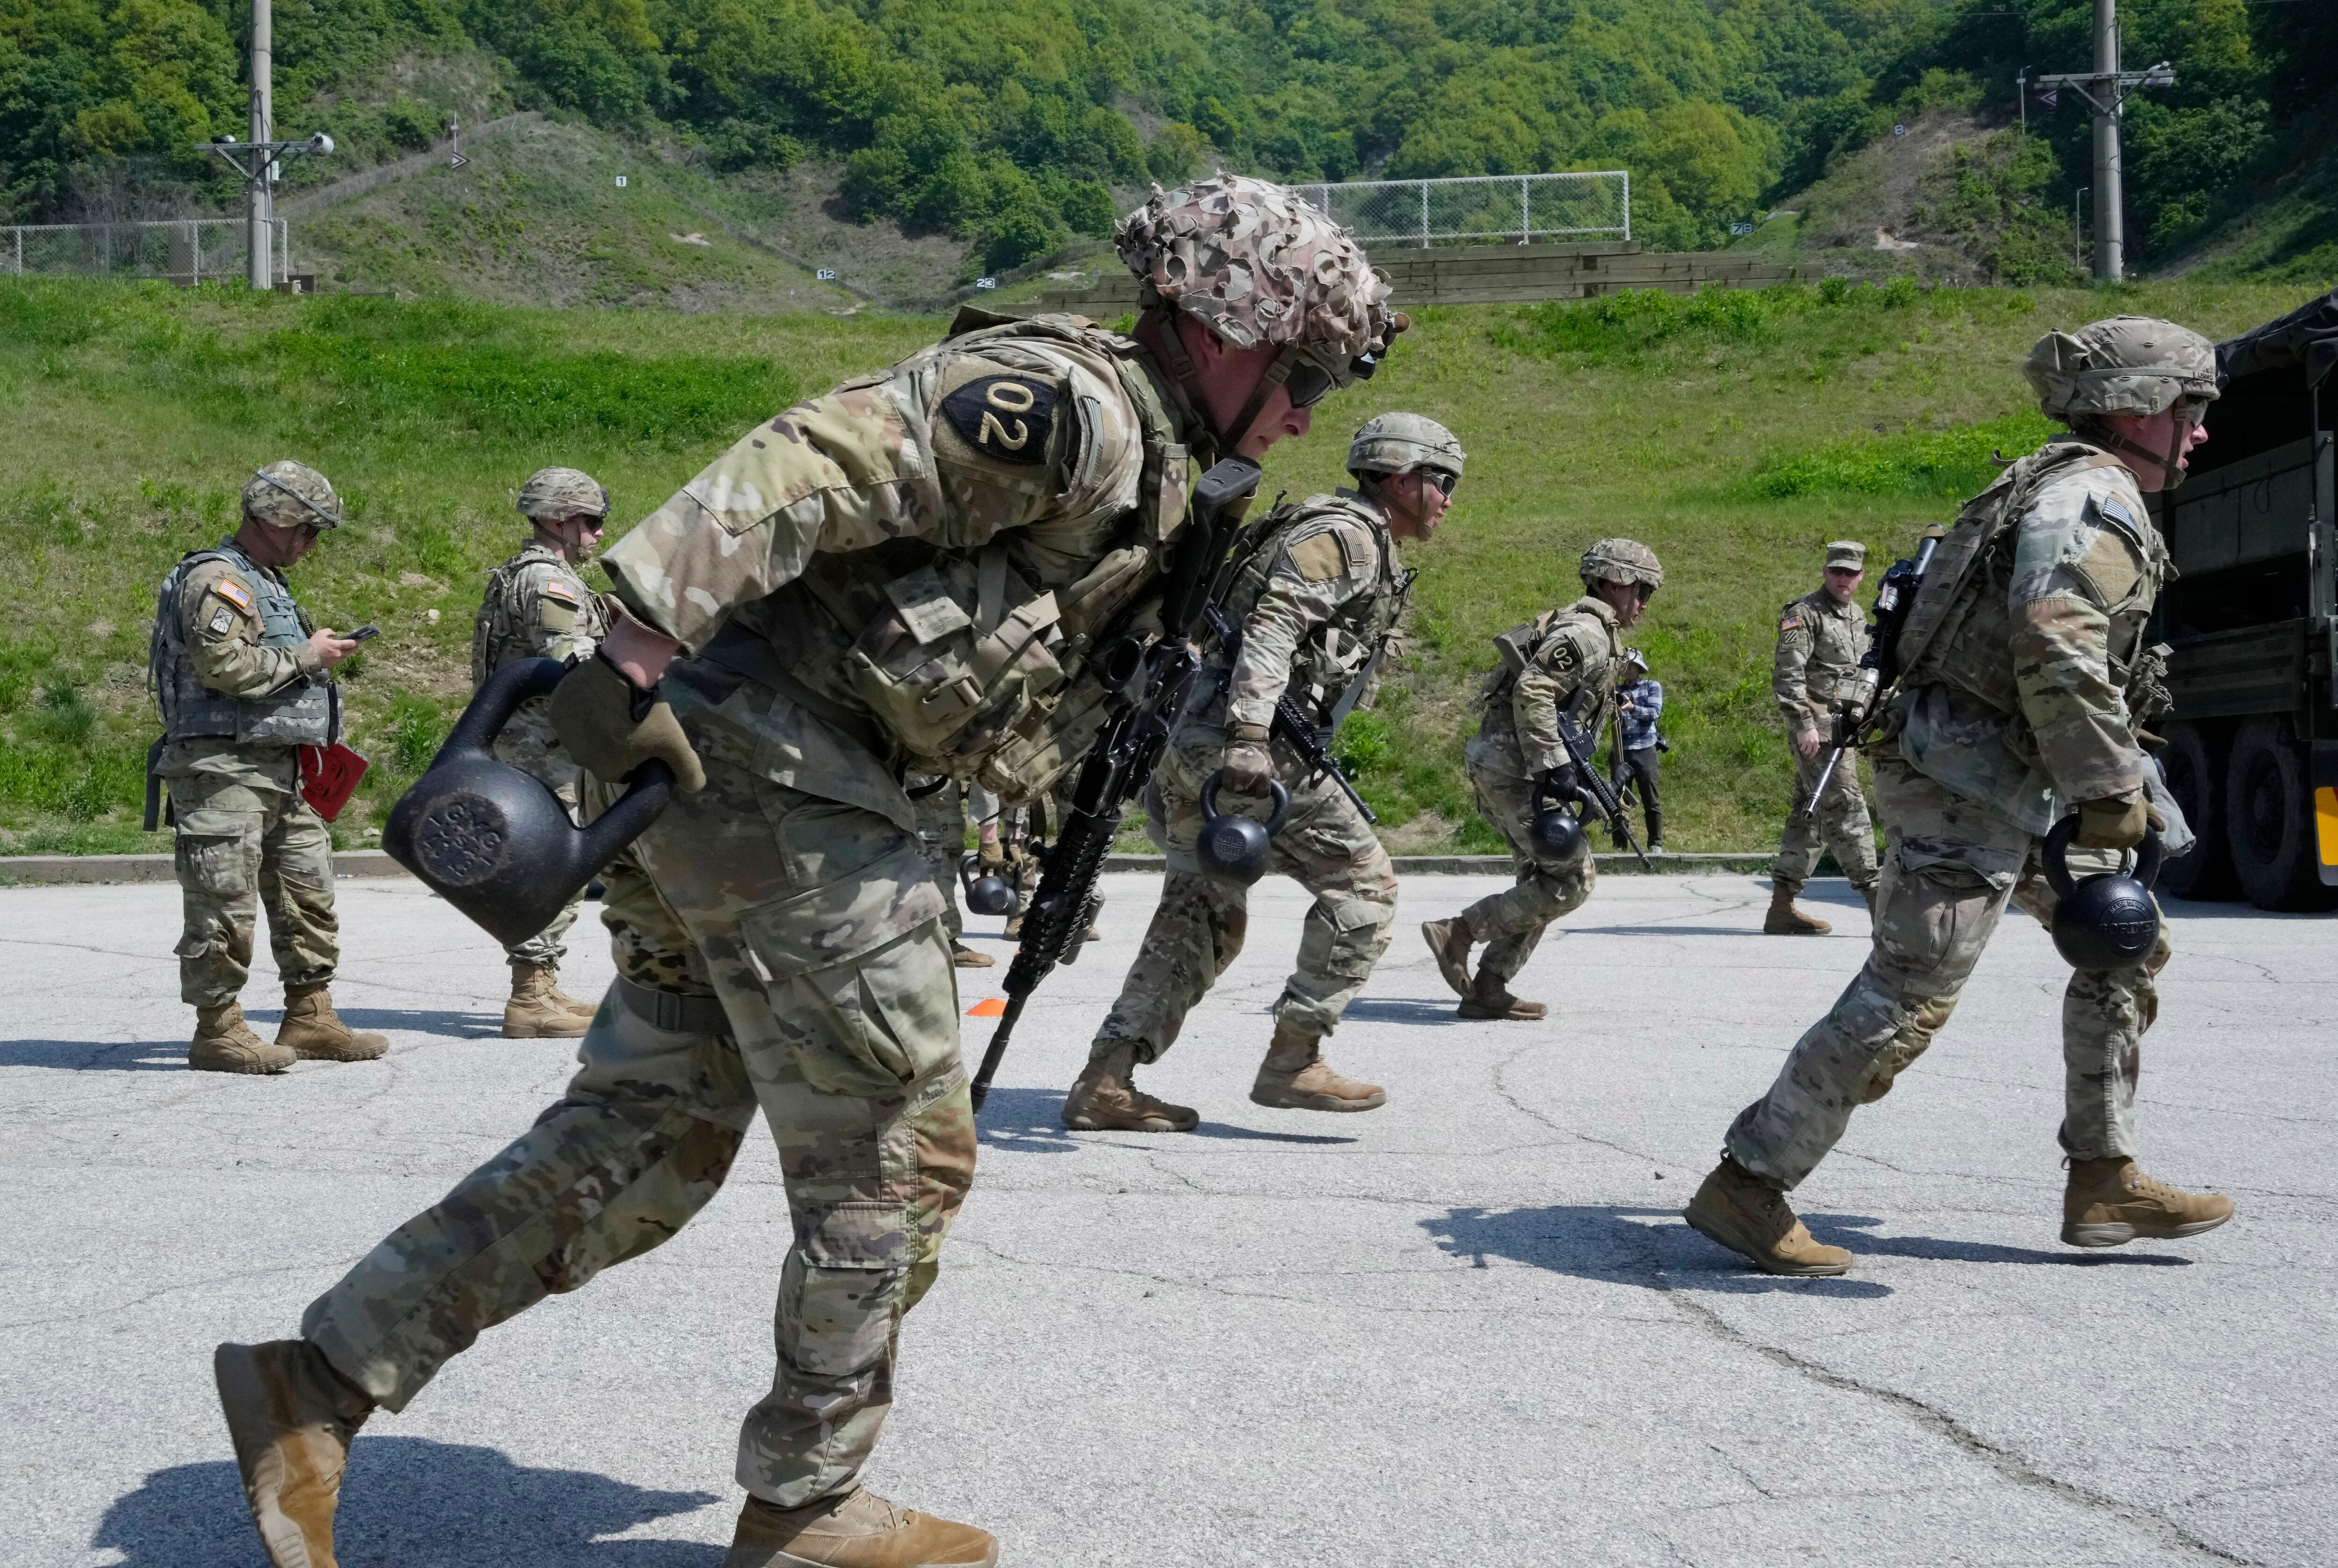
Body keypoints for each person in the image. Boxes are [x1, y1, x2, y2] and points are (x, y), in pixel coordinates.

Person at [210, 173, 1398, 1568]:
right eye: (1304, 367)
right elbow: (812, 459)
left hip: (769, 792)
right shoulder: (1066, 406)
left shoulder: (1164, 467)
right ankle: (806, 1497)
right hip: (787, 785)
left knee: (651, 1129)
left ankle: (319, 1380)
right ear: (1224, 325)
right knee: (901, 1150)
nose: (1313, 405)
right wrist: (636, 636)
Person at [1684, 316, 2236, 1277]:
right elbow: (2055, 641)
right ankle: (1748, 1182)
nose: (2200, 432)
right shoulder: (2088, 498)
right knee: (1912, 990)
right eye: (2190, 408)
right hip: (1966, 781)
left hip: (2014, 776)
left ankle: (2102, 1175)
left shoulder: (2062, 483)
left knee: (2124, 943)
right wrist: (2108, 787)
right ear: (2138, 408)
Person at [1062, 412, 1460, 1132]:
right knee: (1364, 886)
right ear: (1400, 477)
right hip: (1247, 751)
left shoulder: (1353, 537)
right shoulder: (1346, 537)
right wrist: (1249, 734)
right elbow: (1272, 627)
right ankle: (1294, 1057)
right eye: (1442, 481)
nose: (1448, 499)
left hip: (1196, 746)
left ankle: (1105, 1080)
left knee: (1199, 918)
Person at [148, 461, 387, 1075]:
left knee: (308, 895)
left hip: (283, 770)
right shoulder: (218, 580)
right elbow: (223, 667)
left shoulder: (266, 581)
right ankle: (219, 1028)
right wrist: (307, 656)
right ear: (275, 518)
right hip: (222, 769)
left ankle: (311, 1015)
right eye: (307, 529)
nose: (312, 543)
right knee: (224, 903)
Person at [1422, 538, 1662, 1021]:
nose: (1643, 603)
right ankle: (1459, 932)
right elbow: (1534, 688)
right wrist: (1554, 766)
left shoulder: (1595, 633)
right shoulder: (1586, 634)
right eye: (1642, 591)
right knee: (1572, 878)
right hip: (1514, 769)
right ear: (1615, 582)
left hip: (1510, 766)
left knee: (1541, 878)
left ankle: (1488, 986)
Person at [470, 466, 615, 1035]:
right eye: (591, 522)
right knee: (554, 866)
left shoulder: (526, 575)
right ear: (560, 519)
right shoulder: (547, 582)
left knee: (555, 862)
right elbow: (572, 660)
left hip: (534, 744)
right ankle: (531, 997)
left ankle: (543, 984)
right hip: (542, 748)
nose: (599, 534)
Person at [1767, 540, 1883, 934]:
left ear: (1861, 576)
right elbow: (1788, 676)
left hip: (1844, 730)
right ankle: (1879, 903)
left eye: (1851, 573)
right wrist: (1803, 724)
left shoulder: (1857, 616)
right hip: (1816, 732)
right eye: (1837, 571)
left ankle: (1782, 907)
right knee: (1847, 807)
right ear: (1825, 572)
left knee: (1810, 816)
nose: (1843, 579)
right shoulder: (1805, 614)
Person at [911, 775, 994, 968]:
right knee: (938, 847)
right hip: (927, 787)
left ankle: (940, 940)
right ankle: (943, 941)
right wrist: (989, 837)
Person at [1611, 649, 1663, 853]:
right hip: (1620, 750)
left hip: (1645, 749)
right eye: (1625, 665)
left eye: (1632, 665)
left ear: (1640, 668)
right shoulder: (1614, 689)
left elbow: (1654, 713)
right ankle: (1620, 845)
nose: (1628, 669)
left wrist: (1632, 708)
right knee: (1617, 799)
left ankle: (1655, 844)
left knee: (1651, 798)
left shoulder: (1652, 686)